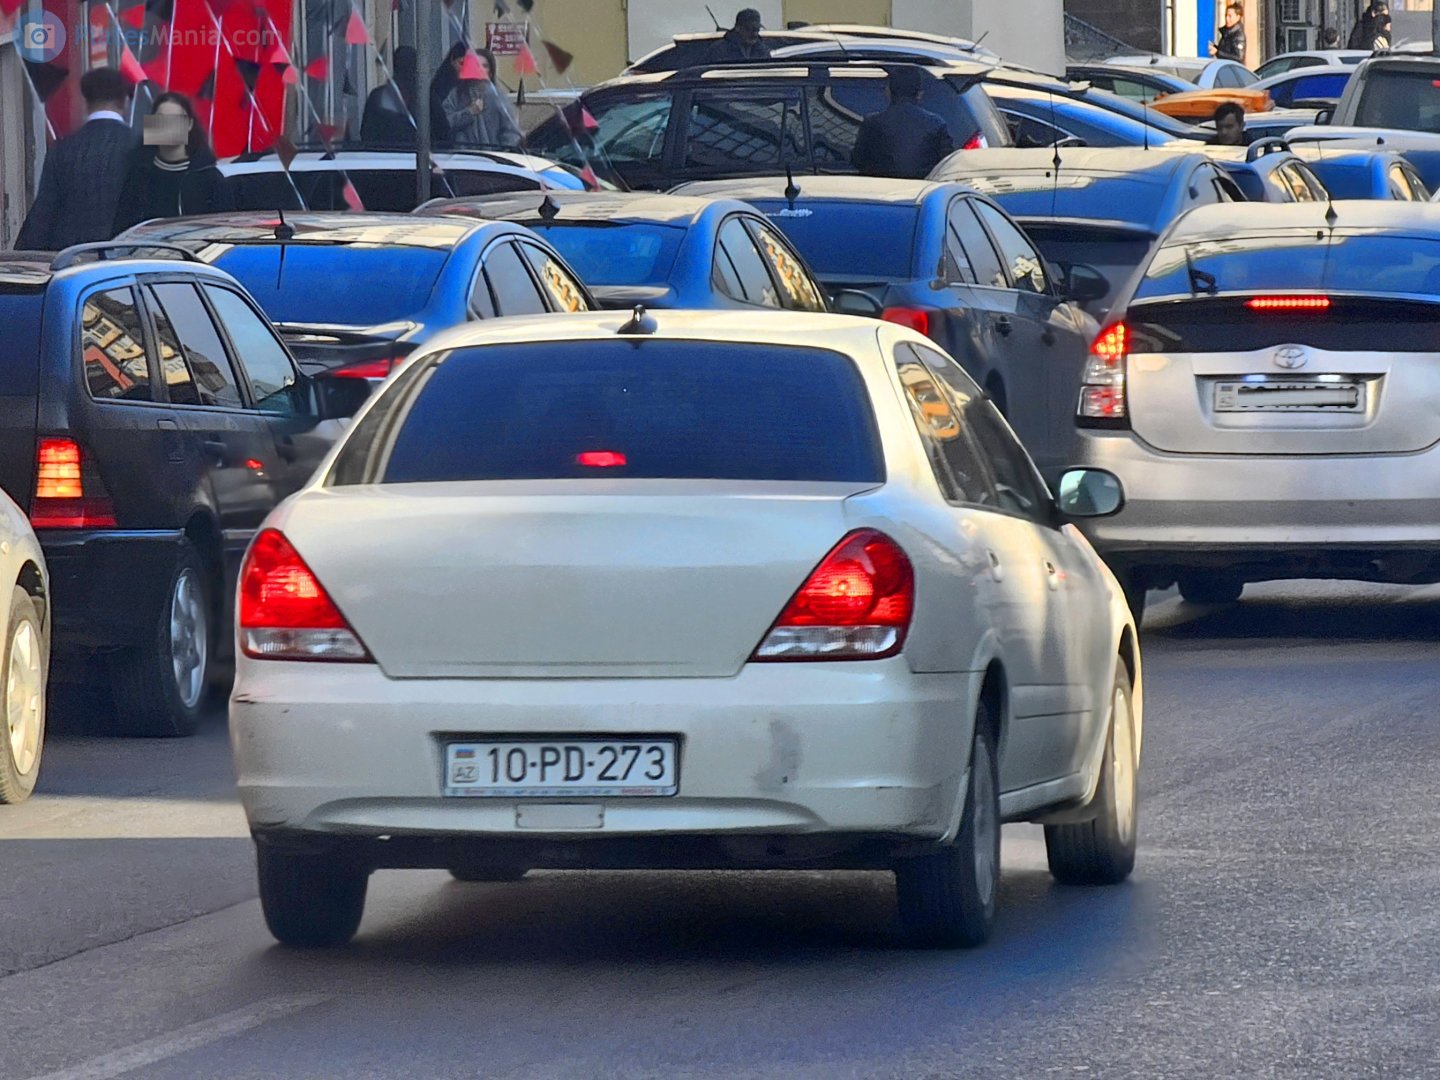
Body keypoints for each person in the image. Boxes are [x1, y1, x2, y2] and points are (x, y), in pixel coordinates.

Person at [16, 68, 136, 251]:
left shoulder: (62, 150)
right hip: (132, 259)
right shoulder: (143, 147)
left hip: (74, 261)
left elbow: (43, 216)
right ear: (125, 101)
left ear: (85, 101)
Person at [112, 93, 232, 233]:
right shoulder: (138, 173)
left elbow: (223, 229)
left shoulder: (207, 175)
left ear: (189, 124)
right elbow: (121, 227)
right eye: (161, 119)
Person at [851, 66, 955, 180]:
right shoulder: (936, 124)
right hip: (922, 189)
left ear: (888, 92)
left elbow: (857, 160)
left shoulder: (872, 123)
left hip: (879, 189)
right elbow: (946, 164)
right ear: (919, 94)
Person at [442, 44, 523, 149]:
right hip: (463, 158)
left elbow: (511, 132)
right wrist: (469, 112)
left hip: (491, 160)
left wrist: (501, 153)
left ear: (490, 72)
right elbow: (445, 123)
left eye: (484, 66)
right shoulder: (456, 95)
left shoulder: (498, 98)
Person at [361, 46, 419, 146]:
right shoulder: (425, 99)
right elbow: (367, 136)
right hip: (382, 158)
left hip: (414, 159)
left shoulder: (425, 99)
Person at [705, 8, 770, 62]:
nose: (755, 34)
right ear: (738, 28)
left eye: (757, 29)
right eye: (749, 29)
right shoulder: (719, 50)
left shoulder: (762, 50)